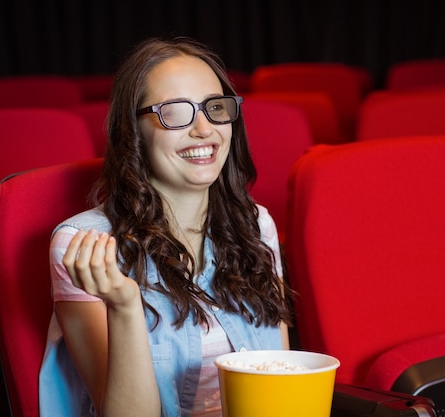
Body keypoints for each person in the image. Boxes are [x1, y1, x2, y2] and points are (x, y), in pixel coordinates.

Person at [39, 37, 294, 417]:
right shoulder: (85, 245)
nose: (204, 130)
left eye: (214, 107)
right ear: (133, 130)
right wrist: (124, 307)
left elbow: (282, 382)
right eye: (176, 112)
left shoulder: (255, 225)